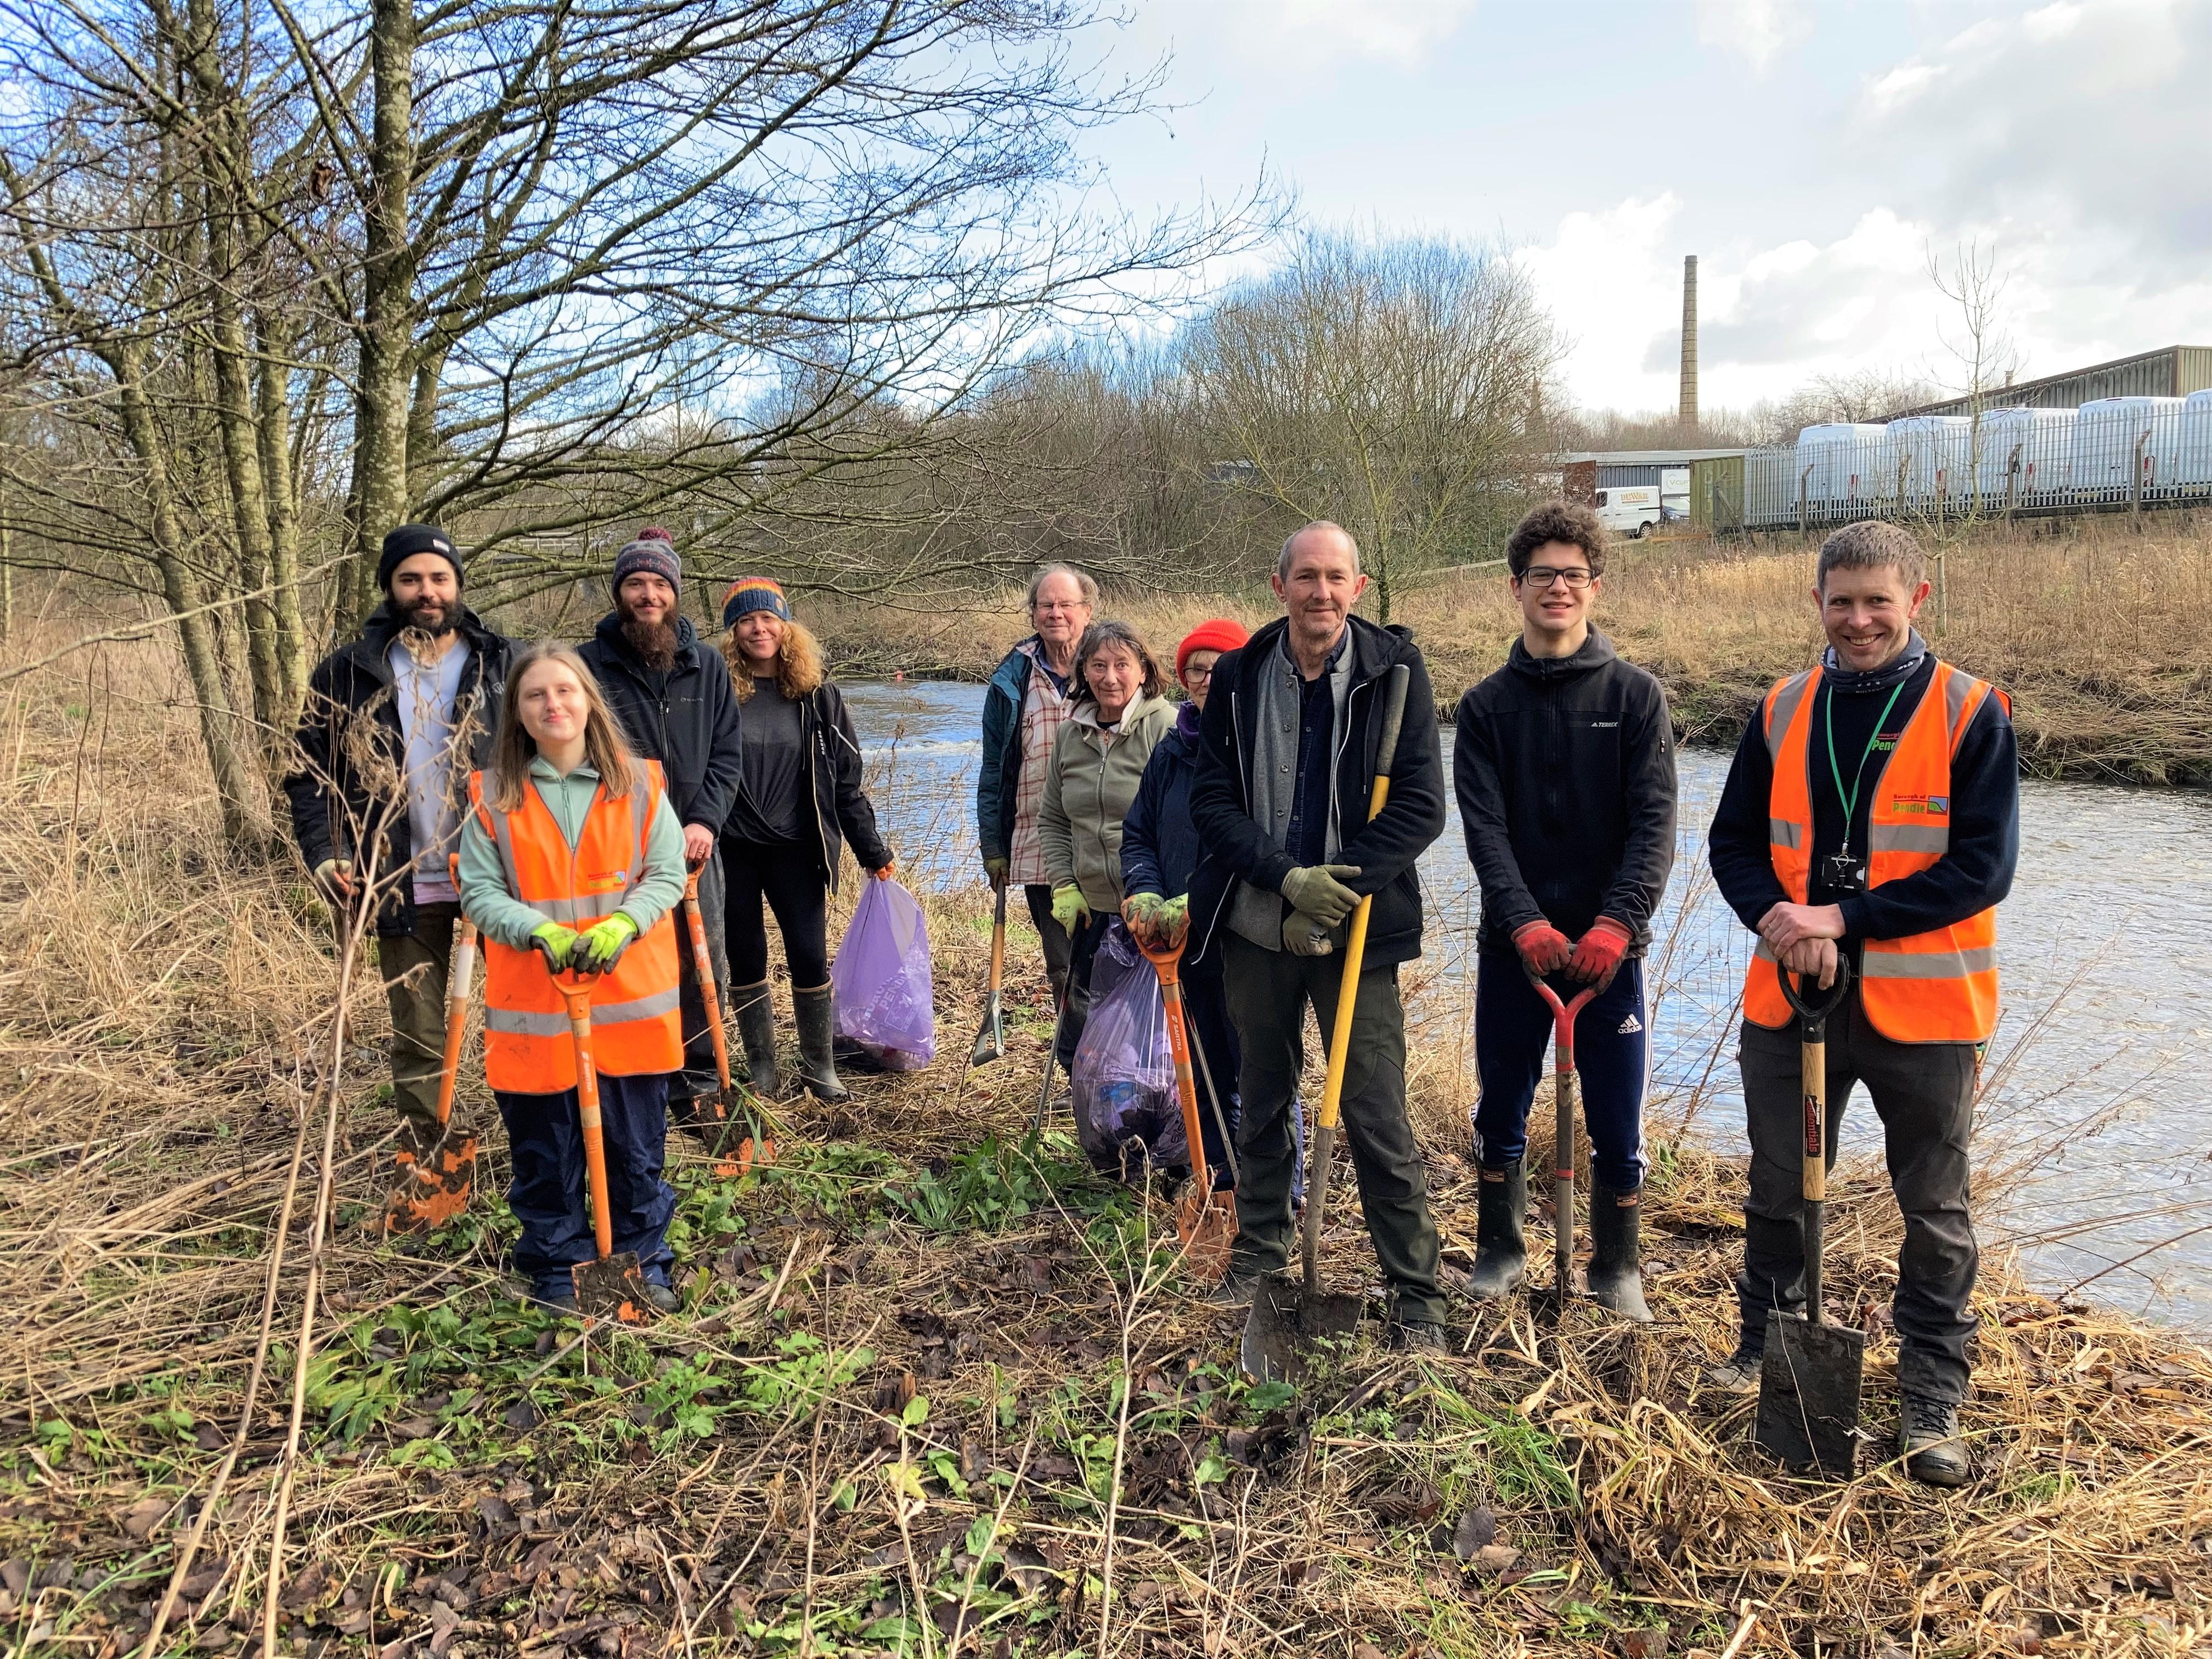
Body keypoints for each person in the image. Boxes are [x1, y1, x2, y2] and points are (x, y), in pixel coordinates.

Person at [1705, 520, 2017, 1488]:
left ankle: (1930, 1393)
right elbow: (1731, 845)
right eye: (1840, 600)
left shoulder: (1971, 711)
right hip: (1791, 996)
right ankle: (1766, 1345)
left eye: (1877, 600)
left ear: (1914, 599)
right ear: (1816, 603)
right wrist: (1780, 921)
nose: (1858, 618)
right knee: (1775, 1181)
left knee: (1933, 1207)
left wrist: (1841, 915)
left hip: (1924, 1015)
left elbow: (1981, 868)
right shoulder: (1780, 707)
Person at [1188, 521, 1451, 1347]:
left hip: (1358, 935)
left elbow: (1420, 806)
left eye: (1337, 578)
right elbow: (1213, 804)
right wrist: (1285, 879)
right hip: (1256, 930)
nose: (1322, 593)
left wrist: (1334, 890)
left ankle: (1416, 1295)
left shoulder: (1395, 672)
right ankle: (1260, 1257)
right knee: (1262, 1100)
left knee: (1376, 1114)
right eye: (1306, 576)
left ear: (1359, 588)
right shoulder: (1237, 676)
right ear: (1280, 586)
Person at [1452, 501, 1677, 1321]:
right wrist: (1524, 923)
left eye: (1573, 576)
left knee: (1616, 1117)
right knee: (1502, 1105)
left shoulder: (1637, 697)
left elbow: (1654, 827)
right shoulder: (1484, 710)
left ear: (1595, 587)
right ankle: (1501, 1249)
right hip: (1516, 952)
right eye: (1541, 575)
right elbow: (1485, 833)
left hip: (1608, 958)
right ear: (1516, 588)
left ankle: (1617, 1266)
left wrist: (1615, 926)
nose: (1558, 588)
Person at [455, 645, 688, 1314]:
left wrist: (623, 924)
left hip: (631, 1011)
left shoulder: (640, 786)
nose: (553, 705)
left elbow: (666, 873)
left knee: (634, 1154)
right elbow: (480, 891)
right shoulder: (493, 796)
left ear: (588, 700)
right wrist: (540, 932)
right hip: (535, 1015)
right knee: (545, 1156)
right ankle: (559, 1268)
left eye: (565, 691)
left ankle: (643, 1265)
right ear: (518, 714)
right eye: (536, 696)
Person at [285, 524, 512, 1190]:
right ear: (391, 586)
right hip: (392, 880)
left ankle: (533, 1139)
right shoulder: (348, 671)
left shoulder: (503, 662)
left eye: (439, 578)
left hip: (500, 880)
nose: (427, 592)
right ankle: (434, 1160)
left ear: (458, 585)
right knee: (417, 1034)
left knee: (517, 1021)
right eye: (411, 579)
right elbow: (306, 774)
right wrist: (325, 856)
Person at [575, 527, 745, 1141]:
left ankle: (700, 1084)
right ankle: (642, 1078)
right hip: (617, 851)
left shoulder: (707, 667)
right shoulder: (587, 667)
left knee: (704, 970)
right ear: (620, 592)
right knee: (633, 969)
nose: (649, 595)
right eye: (636, 584)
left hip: (698, 847)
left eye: (659, 584)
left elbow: (728, 755)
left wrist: (705, 821)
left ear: (675, 593)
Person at [718, 577, 894, 1105]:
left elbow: (845, 782)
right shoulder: (718, 696)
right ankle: (764, 1070)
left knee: (810, 957)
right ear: (733, 632)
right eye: (746, 620)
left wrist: (872, 851)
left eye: (768, 618)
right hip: (733, 848)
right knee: (745, 958)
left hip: (798, 847)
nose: (758, 628)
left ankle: (819, 1067)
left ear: (786, 626)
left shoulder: (819, 698)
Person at [1119, 619, 1255, 1189]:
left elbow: (1251, 843)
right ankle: (1216, 1176)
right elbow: (1138, 832)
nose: (1207, 678)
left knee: (1257, 1067)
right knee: (1199, 1063)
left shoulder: (1257, 749)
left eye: (1220, 667)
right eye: (1196, 668)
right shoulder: (1172, 748)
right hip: (1179, 937)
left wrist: (1195, 901)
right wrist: (1146, 891)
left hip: (1243, 935)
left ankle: (1277, 1186)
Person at [1038, 620, 1176, 1081]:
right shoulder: (1070, 734)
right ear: (1083, 672)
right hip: (1093, 909)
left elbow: (1181, 824)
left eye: (1122, 665)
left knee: (1156, 1030)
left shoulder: (1165, 728)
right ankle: (1104, 1108)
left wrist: (1165, 896)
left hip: (1153, 909)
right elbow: (1054, 819)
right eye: (1098, 665)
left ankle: (1167, 1117)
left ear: (1143, 671)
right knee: (1095, 1023)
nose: (1110, 677)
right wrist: (1064, 884)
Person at [977, 563, 1097, 1064]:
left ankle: (1121, 1065)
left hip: (1104, 844)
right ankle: (1076, 1068)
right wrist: (994, 848)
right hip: (1036, 847)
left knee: (1111, 962)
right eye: (1046, 605)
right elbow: (993, 771)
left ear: (1086, 612)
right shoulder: (1011, 680)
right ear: (1033, 613)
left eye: (1066, 605)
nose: (1056, 614)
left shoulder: (1109, 666)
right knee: (1063, 966)